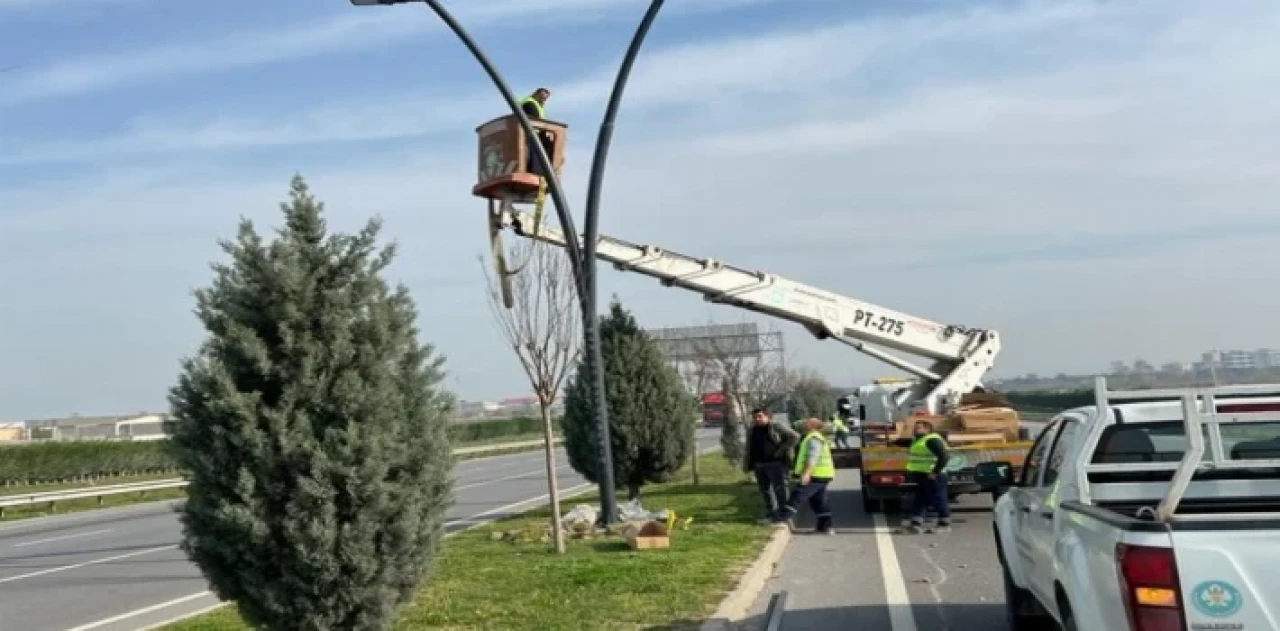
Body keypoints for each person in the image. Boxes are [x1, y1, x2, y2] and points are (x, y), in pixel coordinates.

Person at [773, 418, 837, 534]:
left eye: (807, 422)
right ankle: (826, 526)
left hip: (816, 474)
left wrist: (806, 473)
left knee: (798, 494)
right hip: (822, 474)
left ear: (811, 426)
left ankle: (781, 519)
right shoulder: (814, 437)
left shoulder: (814, 438)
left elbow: (812, 457)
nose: (803, 423)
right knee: (818, 500)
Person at [743, 408, 800, 524]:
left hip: (776, 463)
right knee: (766, 491)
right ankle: (771, 514)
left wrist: (780, 450)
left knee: (780, 489)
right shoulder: (752, 429)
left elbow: (794, 436)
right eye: (755, 417)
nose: (757, 419)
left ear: (768, 416)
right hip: (759, 464)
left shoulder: (775, 426)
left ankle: (784, 515)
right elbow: (749, 446)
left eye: (760, 416)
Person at [903, 420, 951, 533]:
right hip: (923, 475)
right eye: (915, 428)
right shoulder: (918, 440)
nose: (915, 430)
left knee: (938, 499)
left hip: (934, 476)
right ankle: (916, 524)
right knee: (921, 499)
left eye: (918, 428)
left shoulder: (932, 440)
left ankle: (944, 524)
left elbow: (944, 456)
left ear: (927, 429)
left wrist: (935, 472)